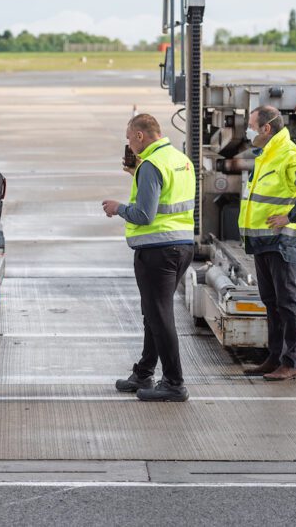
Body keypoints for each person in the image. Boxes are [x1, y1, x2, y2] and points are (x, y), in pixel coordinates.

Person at [102, 114, 196, 402]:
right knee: (153, 314)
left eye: (130, 138)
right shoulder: (180, 160)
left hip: (158, 251)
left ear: (141, 136)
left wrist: (118, 208)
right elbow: (169, 197)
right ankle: (144, 372)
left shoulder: (152, 166)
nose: (129, 144)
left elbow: (145, 215)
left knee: (160, 316)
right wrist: (135, 175)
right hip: (182, 246)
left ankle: (174, 382)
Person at [239, 105, 296, 381]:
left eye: (252, 125)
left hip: (281, 241)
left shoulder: (290, 154)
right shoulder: (267, 155)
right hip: (262, 240)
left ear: (266, 129)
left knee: (287, 302)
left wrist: (290, 216)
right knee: (271, 301)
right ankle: (275, 358)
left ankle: (291, 362)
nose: (249, 129)